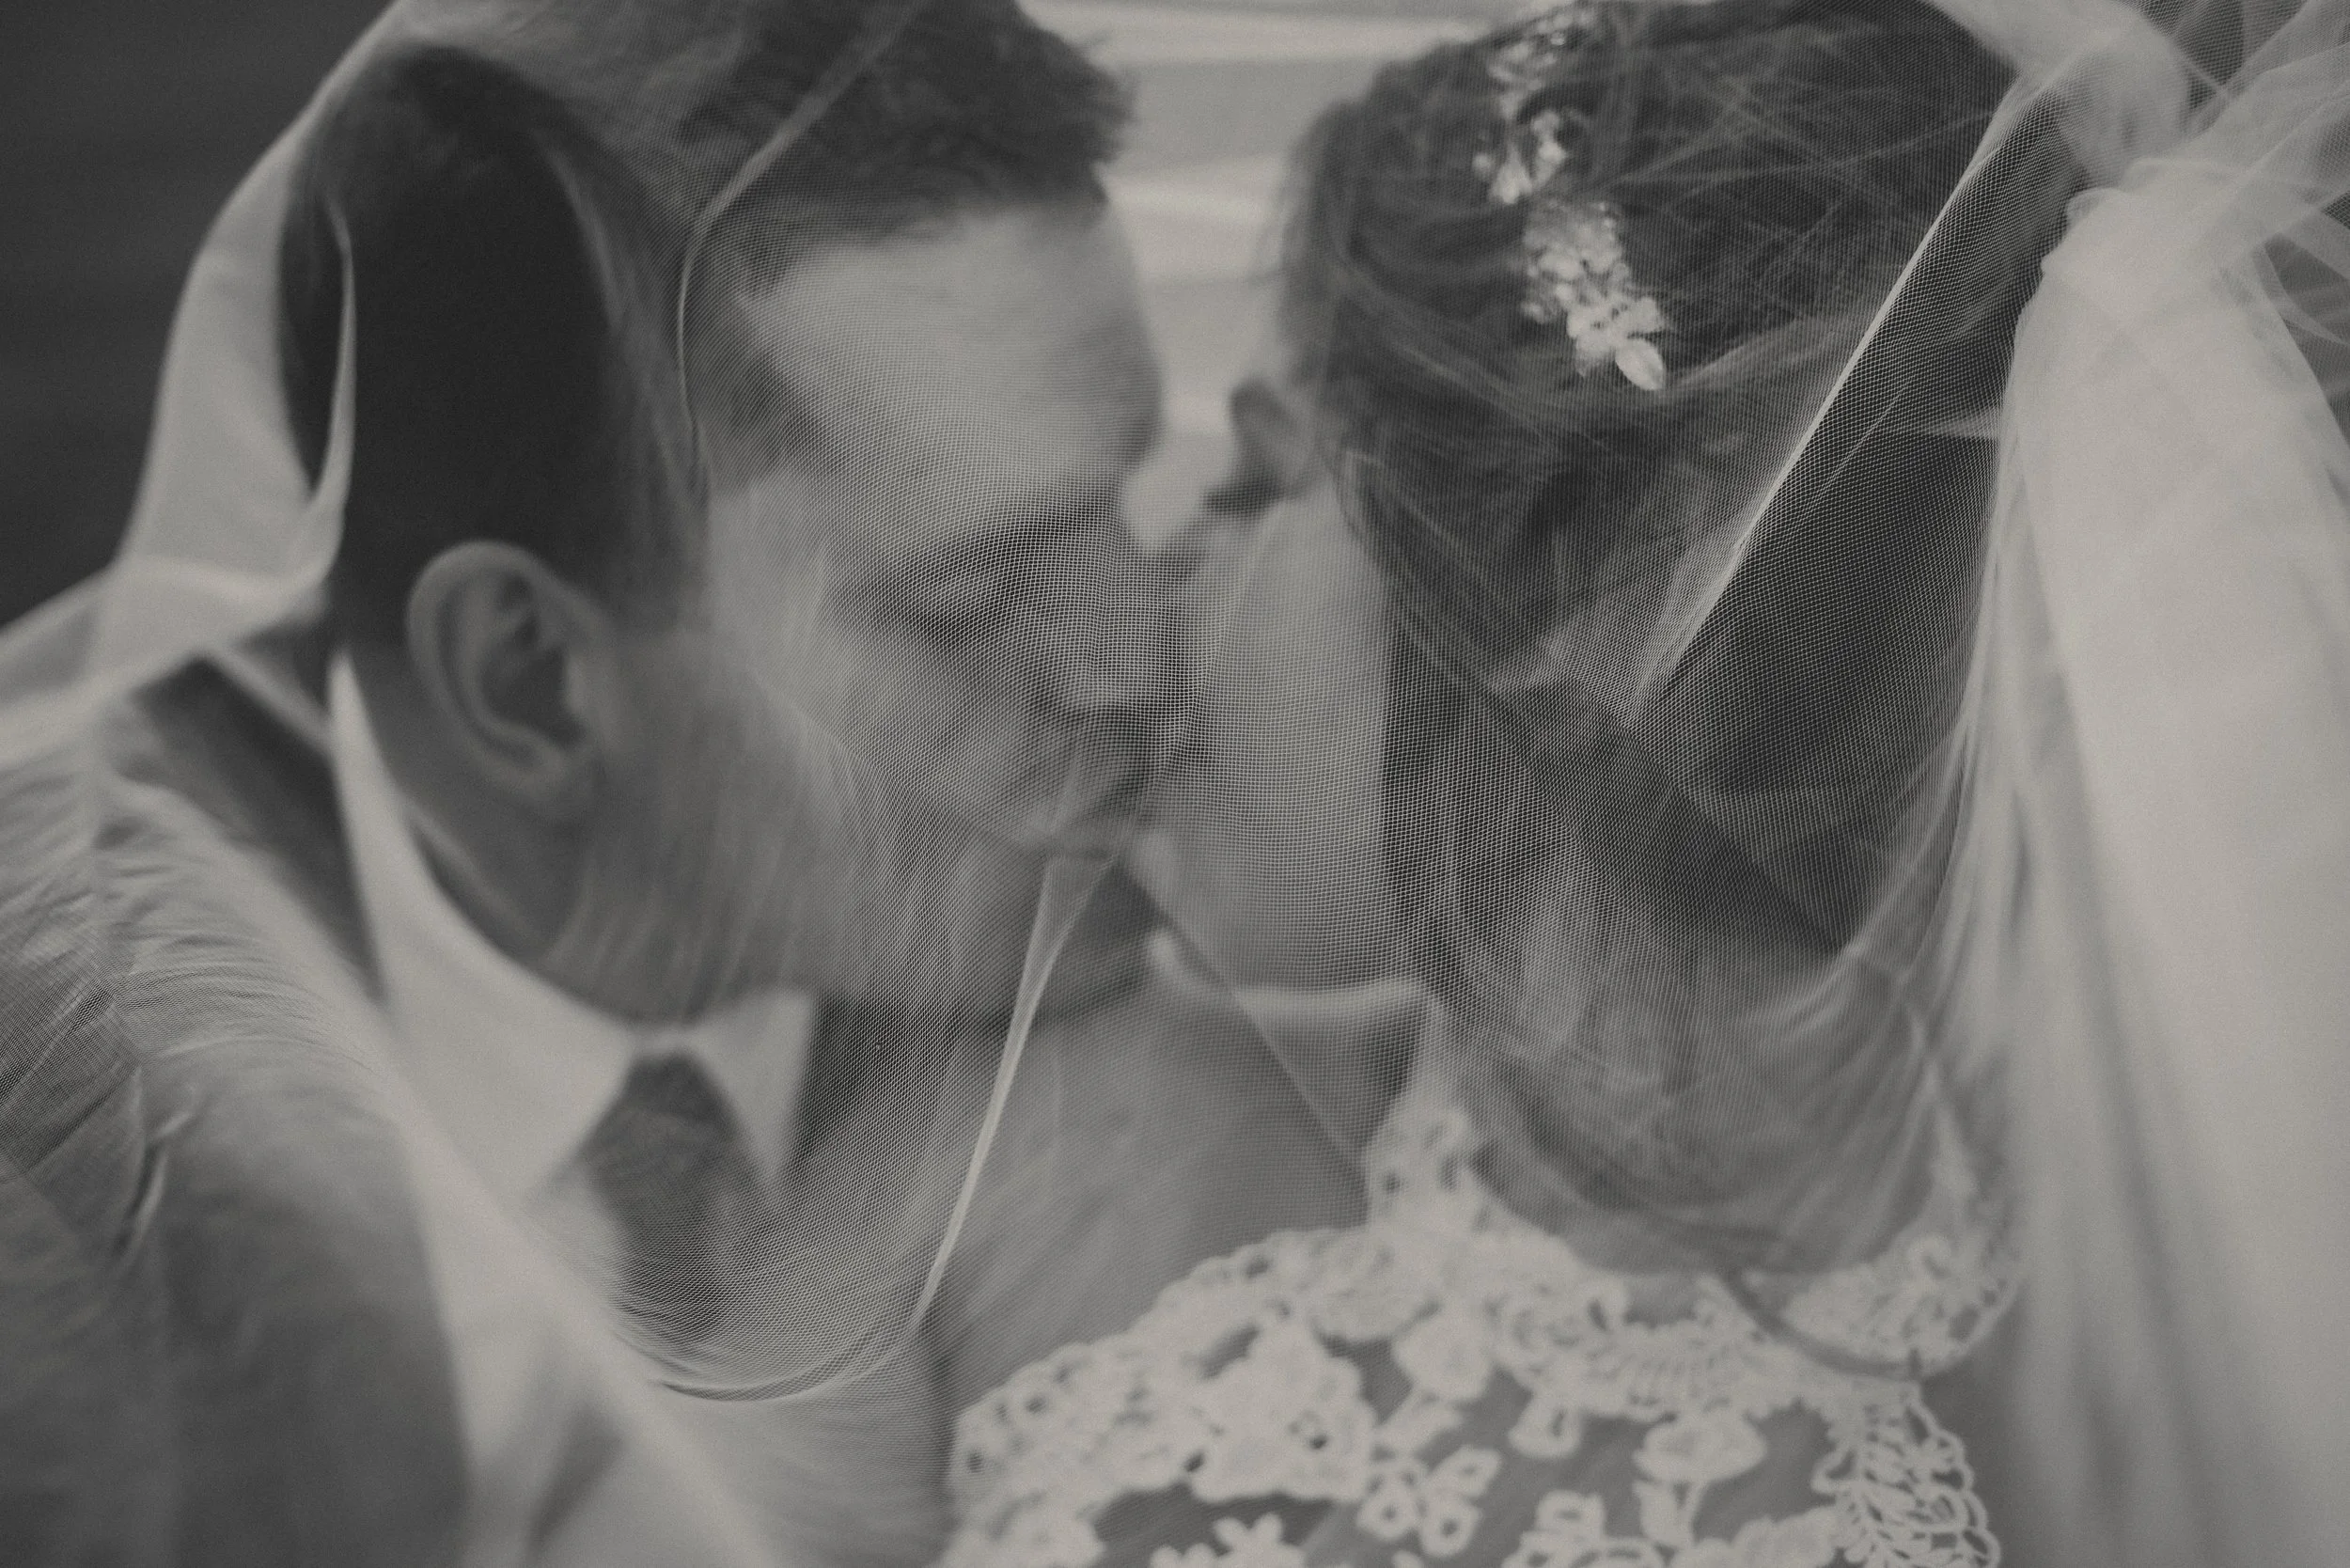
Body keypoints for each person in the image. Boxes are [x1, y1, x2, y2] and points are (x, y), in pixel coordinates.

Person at [943, 1, 2350, 1566]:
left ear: (1570, 620)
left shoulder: (1251, 1512)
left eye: (1256, 483)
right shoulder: (2092, 1316)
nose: (1159, 588)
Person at [0, 1, 1356, 1562]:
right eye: (975, 604)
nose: (1142, 666)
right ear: (527, 677)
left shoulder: (1163, 1014)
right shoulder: (71, 1178)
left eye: (1121, 499)